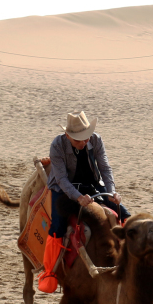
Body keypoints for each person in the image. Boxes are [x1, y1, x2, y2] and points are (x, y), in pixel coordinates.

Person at [38, 111, 131, 293]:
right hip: (63, 188)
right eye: (78, 140)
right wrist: (78, 197)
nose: (83, 142)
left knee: (124, 213)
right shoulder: (57, 145)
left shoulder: (96, 140)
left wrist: (111, 192)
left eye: (85, 138)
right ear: (68, 136)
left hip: (91, 184)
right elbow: (62, 179)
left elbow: (104, 167)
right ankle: (49, 272)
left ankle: (133, 257)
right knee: (57, 226)